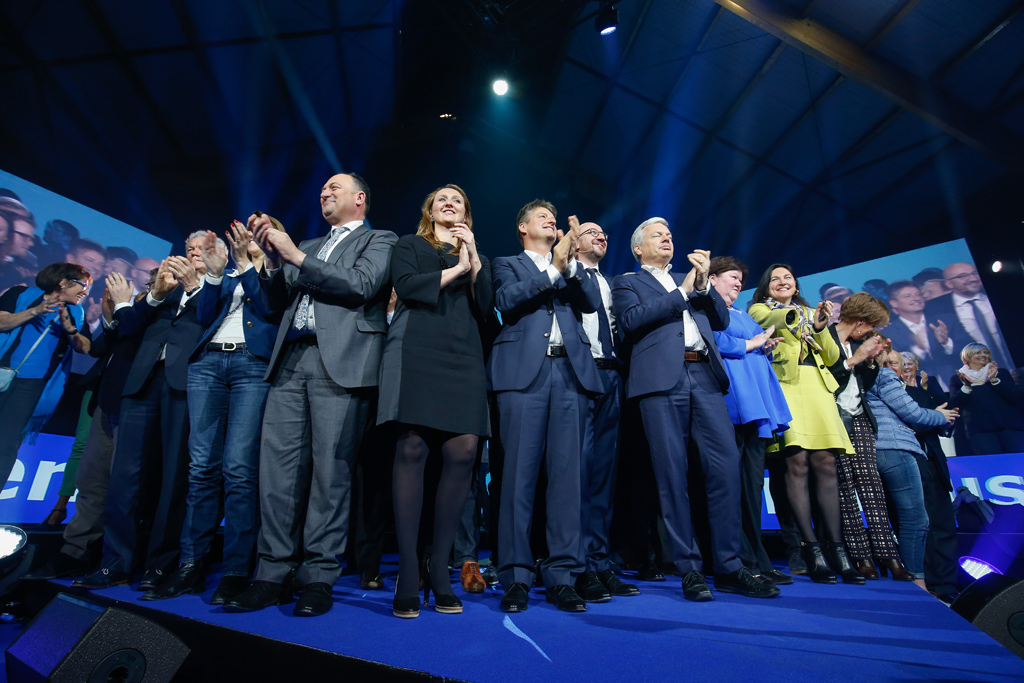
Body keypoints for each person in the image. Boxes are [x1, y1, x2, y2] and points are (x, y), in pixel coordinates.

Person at [225, 172, 397, 617]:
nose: (324, 191)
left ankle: (318, 576)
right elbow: (270, 305)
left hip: (341, 364)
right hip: (291, 361)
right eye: (321, 187)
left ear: (360, 198)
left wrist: (293, 254)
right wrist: (264, 261)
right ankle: (271, 574)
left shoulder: (381, 239)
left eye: (334, 187)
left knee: (330, 476)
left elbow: (360, 285)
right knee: (277, 475)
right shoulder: (310, 246)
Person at [612, 219, 777, 601]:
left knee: (724, 469)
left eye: (670, 234)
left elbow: (719, 319)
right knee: (671, 473)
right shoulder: (628, 282)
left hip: (703, 374)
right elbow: (631, 322)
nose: (667, 238)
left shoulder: (694, 280)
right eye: (657, 235)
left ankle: (730, 566)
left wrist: (702, 285)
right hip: (659, 381)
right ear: (639, 248)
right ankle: (688, 568)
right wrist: (682, 292)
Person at [143, 223, 276, 605]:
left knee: (237, 469)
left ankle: (235, 569)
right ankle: (191, 566)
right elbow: (203, 314)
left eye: (251, 239)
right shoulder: (224, 273)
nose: (243, 242)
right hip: (206, 365)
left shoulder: (273, 273)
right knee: (200, 468)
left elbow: (269, 307)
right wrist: (216, 275)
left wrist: (247, 267)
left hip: (251, 366)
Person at [378, 184, 493, 618]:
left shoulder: (477, 257)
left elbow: (486, 307)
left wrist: (474, 259)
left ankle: (440, 569)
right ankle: (409, 572)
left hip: (463, 354)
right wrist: (457, 268)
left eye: (458, 200)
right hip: (416, 348)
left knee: (463, 452)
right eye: (441, 199)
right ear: (429, 210)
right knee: (411, 448)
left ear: (467, 213)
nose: (449, 203)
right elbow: (407, 288)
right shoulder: (410, 245)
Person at [72, 237, 210, 591]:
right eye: (188, 246)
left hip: (186, 385)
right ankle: (114, 563)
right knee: (124, 478)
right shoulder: (160, 289)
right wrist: (155, 296)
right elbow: (127, 329)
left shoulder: (219, 287)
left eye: (201, 246)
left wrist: (195, 287)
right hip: (139, 385)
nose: (192, 251)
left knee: (172, 479)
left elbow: (213, 320)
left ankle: (161, 565)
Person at [488, 200, 603, 613]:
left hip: (571, 374)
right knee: (517, 477)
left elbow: (589, 302)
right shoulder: (506, 263)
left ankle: (563, 575)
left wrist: (568, 264)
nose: (550, 221)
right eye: (542, 217)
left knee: (569, 479)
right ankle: (516, 575)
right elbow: (507, 300)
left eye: (553, 219)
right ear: (523, 227)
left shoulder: (571, 266)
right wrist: (553, 266)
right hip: (523, 375)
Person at [23, 271, 150, 580]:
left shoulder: (158, 311)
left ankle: (114, 559)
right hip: (105, 400)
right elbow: (100, 347)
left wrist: (123, 307)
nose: (149, 289)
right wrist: (111, 313)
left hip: (138, 405)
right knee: (91, 483)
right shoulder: (131, 310)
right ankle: (74, 552)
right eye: (148, 286)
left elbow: (138, 338)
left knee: (124, 489)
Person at [749, 264, 853, 584]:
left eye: (788, 278)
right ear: (766, 287)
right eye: (775, 279)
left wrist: (821, 326)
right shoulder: (759, 309)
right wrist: (804, 316)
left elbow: (834, 356)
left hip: (818, 388)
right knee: (797, 465)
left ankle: (838, 550)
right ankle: (811, 549)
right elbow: (775, 320)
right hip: (786, 389)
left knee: (825, 464)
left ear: (796, 285)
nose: (782, 282)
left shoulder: (810, 313)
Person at [708, 256, 793, 586]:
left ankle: (757, 554)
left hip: (756, 405)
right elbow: (712, 340)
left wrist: (765, 346)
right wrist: (751, 343)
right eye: (732, 277)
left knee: (753, 486)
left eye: (741, 279)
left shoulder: (740, 314)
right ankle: (741, 556)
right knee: (734, 485)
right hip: (732, 405)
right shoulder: (709, 310)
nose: (738, 282)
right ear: (712, 279)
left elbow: (755, 346)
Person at [572, 221, 639, 602]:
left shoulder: (614, 283)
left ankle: (599, 561)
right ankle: (575, 562)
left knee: (603, 475)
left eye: (604, 233)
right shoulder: (564, 274)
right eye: (591, 232)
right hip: (578, 376)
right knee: (577, 472)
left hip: (612, 377)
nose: (601, 236)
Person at [826, 293, 911, 583]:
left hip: (860, 417)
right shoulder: (823, 335)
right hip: (831, 418)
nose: (873, 332)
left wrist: (870, 361)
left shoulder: (861, 342)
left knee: (871, 486)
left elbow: (864, 383)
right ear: (861, 322)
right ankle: (861, 556)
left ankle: (889, 554)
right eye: (873, 326)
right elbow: (824, 378)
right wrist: (854, 360)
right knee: (844, 489)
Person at [866, 348, 958, 589]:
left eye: (897, 362)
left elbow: (942, 425)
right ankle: (918, 581)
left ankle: (934, 584)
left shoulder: (918, 392)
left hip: (913, 460)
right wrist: (939, 416)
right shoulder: (882, 380)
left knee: (926, 523)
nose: (894, 367)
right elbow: (914, 414)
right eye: (887, 362)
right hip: (899, 452)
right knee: (913, 521)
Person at [0, 263, 91, 486]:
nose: (86, 292)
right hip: (3, 372)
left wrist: (70, 329)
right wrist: (36, 311)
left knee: (6, 445)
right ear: (63, 282)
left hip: (31, 387)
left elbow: (86, 347)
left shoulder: (75, 312)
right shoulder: (20, 294)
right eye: (83, 285)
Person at [900, 352, 960, 602]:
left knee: (944, 524)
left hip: (934, 461)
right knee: (922, 525)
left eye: (910, 364)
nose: (906, 368)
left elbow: (947, 420)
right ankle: (927, 582)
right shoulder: (894, 392)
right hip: (910, 462)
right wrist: (933, 415)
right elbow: (910, 421)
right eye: (899, 365)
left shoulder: (927, 389)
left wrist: (944, 419)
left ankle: (947, 584)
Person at [886, 280, 970, 392]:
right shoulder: (888, 334)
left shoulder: (947, 320)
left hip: (961, 386)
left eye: (918, 294)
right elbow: (895, 368)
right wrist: (918, 348)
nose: (916, 298)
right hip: (923, 393)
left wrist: (946, 343)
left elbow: (971, 351)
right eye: (907, 296)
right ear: (894, 303)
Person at [926, 263, 1013, 369]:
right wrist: (946, 342)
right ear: (949, 284)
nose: (973, 279)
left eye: (974, 273)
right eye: (963, 276)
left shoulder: (1000, 296)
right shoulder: (939, 311)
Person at [946, 343, 1024, 455]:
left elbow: (1014, 397)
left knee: (1019, 463)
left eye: (986, 352)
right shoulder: (958, 379)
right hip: (980, 431)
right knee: (994, 466)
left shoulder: (1001, 373)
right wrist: (967, 386)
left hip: (1010, 427)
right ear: (967, 357)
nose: (983, 355)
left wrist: (994, 381)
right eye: (978, 352)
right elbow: (956, 403)